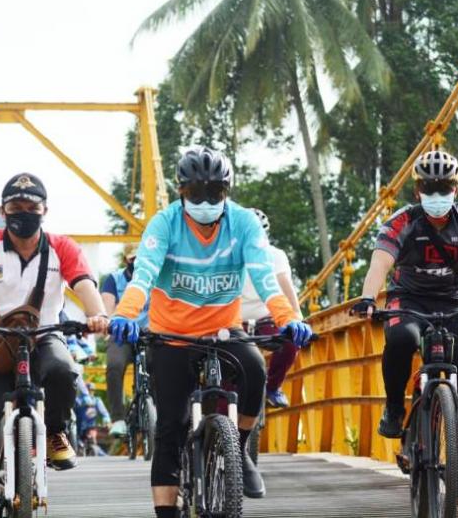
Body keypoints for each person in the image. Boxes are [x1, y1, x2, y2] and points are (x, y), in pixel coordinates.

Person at [109, 146, 314, 518]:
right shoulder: (164, 224)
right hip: (171, 334)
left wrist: (287, 318)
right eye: (195, 193)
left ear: (227, 191)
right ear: (181, 192)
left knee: (255, 370)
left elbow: (265, 278)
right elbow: (145, 275)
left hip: (224, 329)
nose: (205, 201)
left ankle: (241, 447)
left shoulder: (244, 224)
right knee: (171, 426)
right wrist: (125, 312)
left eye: (214, 193)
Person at [0, 172, 110, 518]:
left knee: (64, 370)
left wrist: (99, 315)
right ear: (2, 211)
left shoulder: (63, 248)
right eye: (16, 206)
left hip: (44, 335)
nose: (24, 212)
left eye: (32, 206)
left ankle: (56, 432)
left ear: (45, 210)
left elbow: (85, 286)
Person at [351, 150, 458, 499]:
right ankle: (396, 407)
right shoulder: (402, 221)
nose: (437, 195)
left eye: (444, 187)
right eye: (430, 188)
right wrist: (368, 298)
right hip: (408, 301)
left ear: (456, 190)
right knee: (399, 338)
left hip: (455, 304)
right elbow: (380, 262)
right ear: (417, 191)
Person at [240, 208, 303, 409]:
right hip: (232, 319)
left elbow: (285, 284)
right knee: (226, 366)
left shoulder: (275, 255)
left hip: (265, 317)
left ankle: (272, 387)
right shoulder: (225, 255)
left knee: (290, 342)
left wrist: (297, 317)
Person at [100, 243, 149, 437]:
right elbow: (107, 309)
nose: (136, 263)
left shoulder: (157, 276)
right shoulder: (114, 279)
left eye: (140, 258)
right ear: (126, 260)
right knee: (114, 365)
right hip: (123, 333)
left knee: (162, 365)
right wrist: (108, 325)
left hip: (151, 333)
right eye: (132, 259)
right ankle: (118, 419)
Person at [74, 381, 111, 455]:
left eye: (92, 390)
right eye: (89, 390)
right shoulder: (77, 400)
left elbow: (104, 412)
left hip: (91, 427)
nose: (91, 392)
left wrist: (106, 420)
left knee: (93, 442)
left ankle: (104, 456)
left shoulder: (97, 400)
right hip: (78, 428)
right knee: (75, 442)